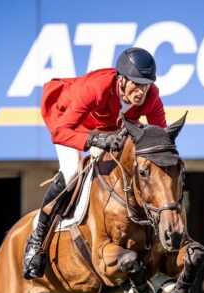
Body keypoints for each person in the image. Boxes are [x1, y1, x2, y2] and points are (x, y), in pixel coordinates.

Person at [22, 47, 168, 280]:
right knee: (71, 171)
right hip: (69, 122)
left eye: (146, 84)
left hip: (110, 128)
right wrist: (94, 139)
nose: (141, 91)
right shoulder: (96, 87)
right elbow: (60, 132)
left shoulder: (151, 96)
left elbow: (158, 139)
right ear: (121, 79)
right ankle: (36, 241)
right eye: (135, 84)